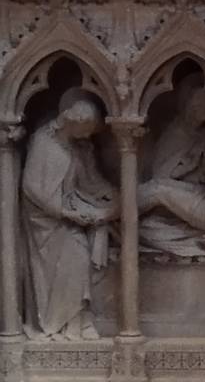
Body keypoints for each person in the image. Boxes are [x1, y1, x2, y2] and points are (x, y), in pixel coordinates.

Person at [22, 96, 119, 340]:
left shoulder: (79, 147)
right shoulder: (44, 143)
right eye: (85, 130)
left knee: (84, 250)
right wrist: (67, 214)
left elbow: (90, 182)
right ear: (71, 122)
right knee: (77, 255)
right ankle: (67, 322)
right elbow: (32, 188)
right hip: (46, 221)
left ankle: (81, 319)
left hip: (69, 213)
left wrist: (114, 196)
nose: (88, 136)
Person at [138, 77, 205, 257]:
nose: (204, 111)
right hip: (178, 198)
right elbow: (160, 174)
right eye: (199, 105)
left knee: (156, 190)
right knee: (156, 190)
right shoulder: (174, 134)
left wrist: (201, 175)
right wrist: (187, 168)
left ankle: (115, 212)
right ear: (187, 104)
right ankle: (121, 213)